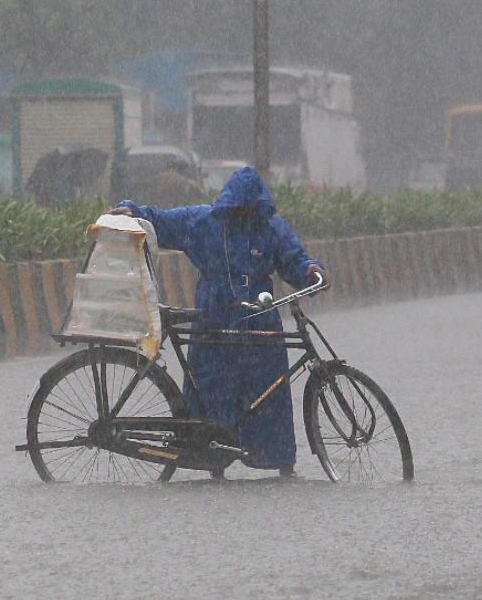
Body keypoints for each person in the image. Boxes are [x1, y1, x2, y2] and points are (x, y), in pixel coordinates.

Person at [109, 166, 328, 478]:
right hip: (214, 317)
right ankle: (212, 459)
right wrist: (133, 211)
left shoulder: (272, 229)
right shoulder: (203, 222)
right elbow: (159, 221)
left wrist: (310, 270)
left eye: (248, 210)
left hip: (259, 322)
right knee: (211, 392)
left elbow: (294, 260)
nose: (242, 215)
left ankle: (278, 459)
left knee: (268, 393)